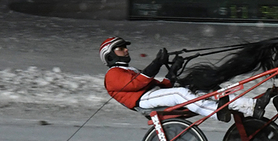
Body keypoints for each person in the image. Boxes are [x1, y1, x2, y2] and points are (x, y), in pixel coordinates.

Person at [99, 36, 266, 120]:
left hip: (152, 96)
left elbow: (161, 86)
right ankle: (217, 113)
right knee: (180, 94)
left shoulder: (129, 69)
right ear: (109, 55)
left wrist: (173, 71)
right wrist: (157, 62)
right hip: (143, 102)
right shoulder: (112, 74)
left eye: (124, 48)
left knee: (201, 89)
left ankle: (250, 106)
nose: (126, 50)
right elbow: (139, 83)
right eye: (120, 48)